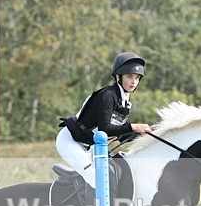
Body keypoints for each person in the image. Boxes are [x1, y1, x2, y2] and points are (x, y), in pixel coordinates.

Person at [56, 52, 160, 191]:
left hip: (91, 146)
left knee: (114, 175)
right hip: (71, 141)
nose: (134, 82)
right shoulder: (107, 96)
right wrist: (133, 126)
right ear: (118, 76)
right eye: (129, 77)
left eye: (137, 77)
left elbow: (119, 135)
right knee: (99, 181)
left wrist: (145, 133)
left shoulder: (126, 102)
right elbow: (104, 129)